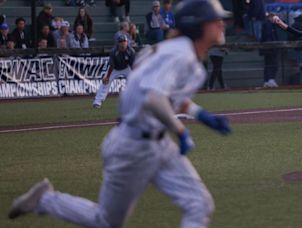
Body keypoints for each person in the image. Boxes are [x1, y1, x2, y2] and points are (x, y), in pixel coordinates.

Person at [8, 1, 232, 228]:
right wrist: (181, 131)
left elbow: (168, 95)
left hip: (157, 144)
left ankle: (46, 200)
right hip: (132, 147)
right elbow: (153, 97)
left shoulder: (179, 51)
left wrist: (201, 114)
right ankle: (46, 200)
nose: (222, 24)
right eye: (215, 20)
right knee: (106, 221)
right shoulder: (180, 54)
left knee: (199, 204)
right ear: (197, 25)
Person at [93, 34, 134, 108]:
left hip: (126, 68)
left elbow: (133, 65)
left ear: (127, 42)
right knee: (105, 82)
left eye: (124, 41)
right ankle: (97, 102)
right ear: (118, 43)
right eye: (121, 41)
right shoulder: (114, 51)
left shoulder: (131, 51)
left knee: (134, 82)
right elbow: (112, 65)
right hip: (115, 69)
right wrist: (107, 77)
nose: (123, 43)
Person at [260, 16, 279, 88]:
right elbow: (268, 37)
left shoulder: (270, 25)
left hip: (269, 48)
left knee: (269, 64)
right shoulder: (268, 25)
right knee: (271, 64)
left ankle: (268, 80)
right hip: (270, 49)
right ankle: (270, 80)